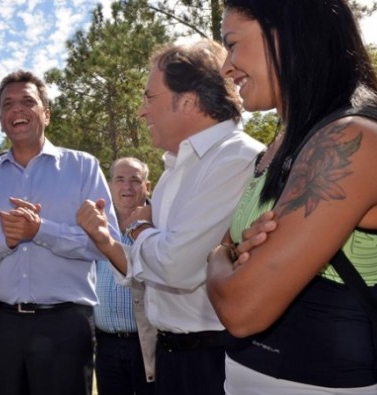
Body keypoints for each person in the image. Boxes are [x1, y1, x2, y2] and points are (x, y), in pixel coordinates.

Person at [206, 1, 377, 393]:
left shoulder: (353, 140)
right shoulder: (281, 143)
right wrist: (231, 255)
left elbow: (241, 308)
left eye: (233, 43)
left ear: (287, 32)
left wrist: (216, 259)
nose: (226, 66)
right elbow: (234, 248)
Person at [76, 40, 264, 395]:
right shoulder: (177, 169)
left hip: (212, 363)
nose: (142, 112)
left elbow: (176, 266)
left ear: (189, 101)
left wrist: (141, 226)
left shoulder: (235, 159)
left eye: (150, 98)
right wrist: (110, 239)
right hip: (173, 360)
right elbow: (152, 267)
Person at [0, 70, 118, 395]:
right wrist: (6, 241)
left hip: (65, 327)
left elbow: (104, 244)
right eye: (7, 104)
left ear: (46, 113)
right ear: (1, 120)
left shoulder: (83, 168)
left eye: (28, 101)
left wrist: (41, 230)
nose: (17, 110)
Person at [94, 157, 156, 395]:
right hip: (105, 345)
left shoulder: (159, 225)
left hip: (147, 344)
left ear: (147, 187)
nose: (127, 187)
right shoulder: (97, 226)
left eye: (135, 180)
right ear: (110, 186)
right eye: (119, 179)